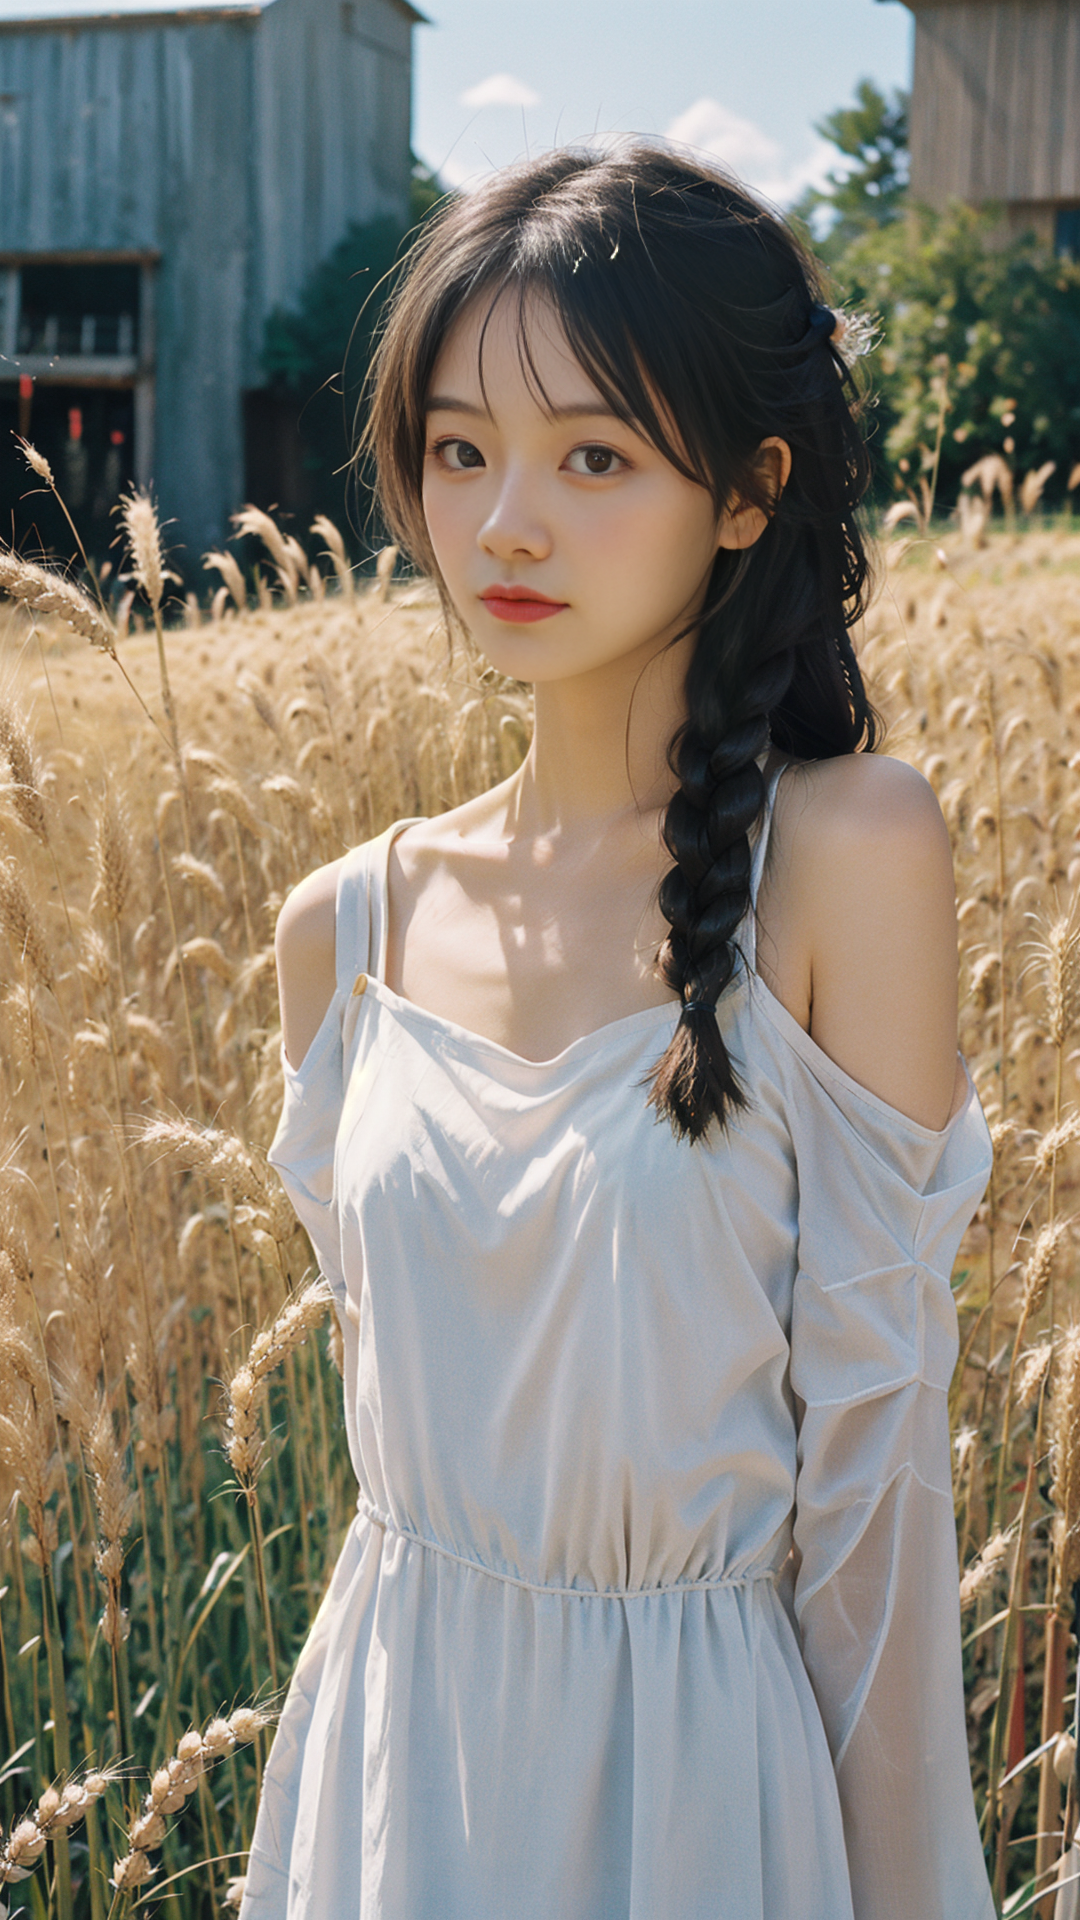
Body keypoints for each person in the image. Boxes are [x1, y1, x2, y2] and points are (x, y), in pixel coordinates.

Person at [240, 144, 996, 1920]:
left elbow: (876, 1486)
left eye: (594, 455)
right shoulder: (343, 932)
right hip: (393, 1776)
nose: (505, 521)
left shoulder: (848, 855)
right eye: (458, 448)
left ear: (747, 489)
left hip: (699, 1800)